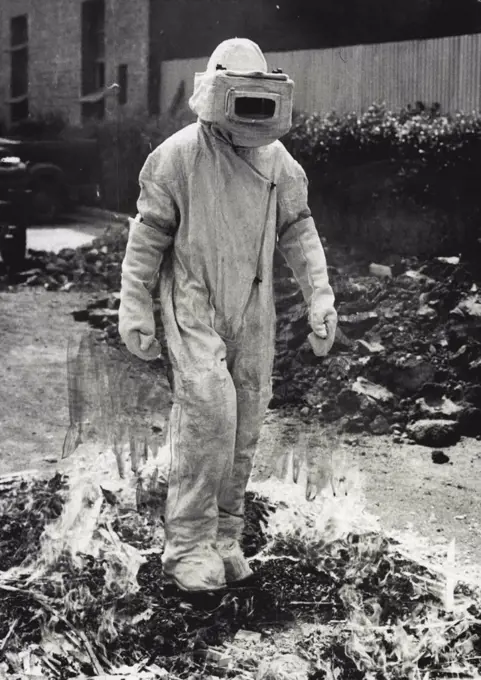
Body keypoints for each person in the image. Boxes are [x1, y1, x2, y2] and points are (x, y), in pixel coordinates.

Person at [118, 38, 337, 593]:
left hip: (253, 307)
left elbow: (299, 229)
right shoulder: (177, 156)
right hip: (193, 302)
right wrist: (135, 304)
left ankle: (224, 537)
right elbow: (147, 238)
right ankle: (188, 545)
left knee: (245, 422)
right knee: (209, 418)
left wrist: (320, 296)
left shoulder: (277, 160)